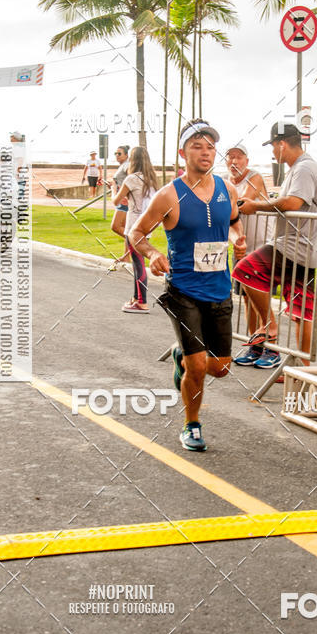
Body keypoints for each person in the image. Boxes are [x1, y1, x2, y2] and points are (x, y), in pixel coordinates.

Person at [128, 120, 246, 453]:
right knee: (197, 367)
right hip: (183, 290)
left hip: (220, 288)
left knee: (220, 368)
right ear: (183, 153)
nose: (206, 152)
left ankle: (183, 354)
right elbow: (135, 233)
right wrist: (152, 252)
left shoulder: (228, 189)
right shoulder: (169, 195)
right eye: (197, 146)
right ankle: (191, 424)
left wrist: (238, 239)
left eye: (210, 146)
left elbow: (234, 222)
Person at [233, 121, 317, 367]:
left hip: (295, 245)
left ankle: (269, 325)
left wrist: (256, 206)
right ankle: (300, 369)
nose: (272, 152)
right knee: (301, 313)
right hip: (307, 247)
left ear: (281, 144)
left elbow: (293, 203)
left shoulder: (304, 168)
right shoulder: (303, 167)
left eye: (273, 146)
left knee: (245, 270)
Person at [224, 143, 270, 349]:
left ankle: (269, 346)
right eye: (230, 157)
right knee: (246, 297)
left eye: (239, 157)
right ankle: (256, 345)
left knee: (261, 300)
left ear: (247, 161)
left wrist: (223, 205)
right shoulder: (225, 184)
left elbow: (244, 203)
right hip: (241, 246)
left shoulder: (255, 177)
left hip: (262, 247)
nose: (234, 161)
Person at [113, 147, 158, 313]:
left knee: (138, 264)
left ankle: (142, 302)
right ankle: (135, 297)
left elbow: (115, 201)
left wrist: (113, 188)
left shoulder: (131, 179)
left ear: (133, 161)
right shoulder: (151, 179)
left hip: (133, 227)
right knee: (137, 262)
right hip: (146, 226)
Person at [107, 145, 131, 264]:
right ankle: (126, 257)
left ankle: (135, 241)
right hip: (122, 199)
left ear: (126, 155)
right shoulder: (122, 166)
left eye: (119, 153)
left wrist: (127, 193)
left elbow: (131, 178)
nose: (117, 155)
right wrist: (112, 186)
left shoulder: (127, 165)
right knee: (126, 229)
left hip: (124, 201)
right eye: (115, 153)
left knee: (115, 227)